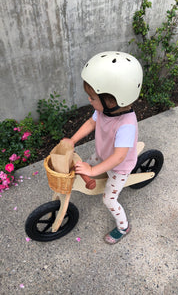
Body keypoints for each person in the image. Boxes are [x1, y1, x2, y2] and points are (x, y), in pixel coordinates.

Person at [64, 51, 143, 244]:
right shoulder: (103, 111)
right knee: (85, 166)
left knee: (109, 199)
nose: (89, 101)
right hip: (102, 153)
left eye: (92, 97)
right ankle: (94, 172)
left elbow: (117, 158)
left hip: (119, 167)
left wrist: (92, 170)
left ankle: (123, 227)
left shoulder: (126, 125)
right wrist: (72, 140)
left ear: (112, 100)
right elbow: (91, 124)